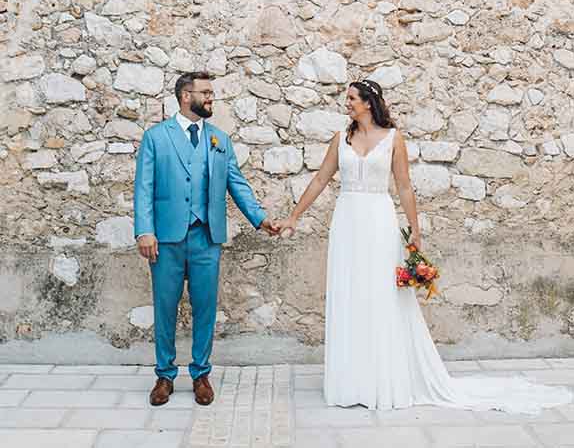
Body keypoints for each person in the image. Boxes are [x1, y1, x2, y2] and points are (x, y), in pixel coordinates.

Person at [276, 78, 572, 414]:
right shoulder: (340, 139)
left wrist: (415, 231)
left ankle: (382, 380)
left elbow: (403, 187)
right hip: (346, 222)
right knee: (349, 294)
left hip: (378, 221)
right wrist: (293, 217)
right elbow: (319, 179)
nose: (347, 104)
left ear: (369, 103)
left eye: (352, 99)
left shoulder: (392, 139)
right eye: (347, 99)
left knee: (380, 296)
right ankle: (351, 382)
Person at [134, 71, 278, 407]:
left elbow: (237, 184)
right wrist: (144, 230)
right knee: (165, 307)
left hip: (206, 238)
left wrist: (261, 219)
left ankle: (201, 373)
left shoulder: (219, 140)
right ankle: (164, 375)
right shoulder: (156, 137)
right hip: (166, 239)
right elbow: (143, 187)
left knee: (205, 309)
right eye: (206, 92)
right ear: (186, 96)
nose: (211, 98)